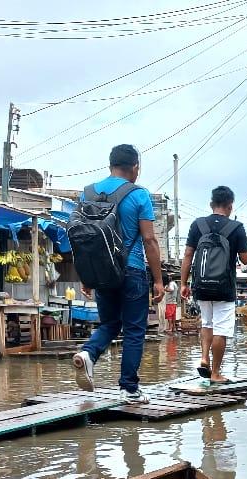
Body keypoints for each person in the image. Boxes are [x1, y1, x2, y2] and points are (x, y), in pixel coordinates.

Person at [72, 144, 164, 403]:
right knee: (134, 330)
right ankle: (129, 388)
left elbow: (82, 239)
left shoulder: (88, 193)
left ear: (110, 165)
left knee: (110, 324)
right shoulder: (139, 195)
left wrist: (86, 276)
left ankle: (89, 353)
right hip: (132, 270)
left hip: (101, 272)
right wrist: (158, 280)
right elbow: (149, 240)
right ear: (135, 167)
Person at [181, 185, 247, 383]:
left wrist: (184, 283)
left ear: (211, 204)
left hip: (201, 285)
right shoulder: (236, 228)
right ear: (230, 206)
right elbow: (246, 259)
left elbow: (188, 254)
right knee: (221, 329)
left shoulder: (198, 225)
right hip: (224, 287)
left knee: (207, 323)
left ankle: (204, 358)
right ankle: (216, 373)